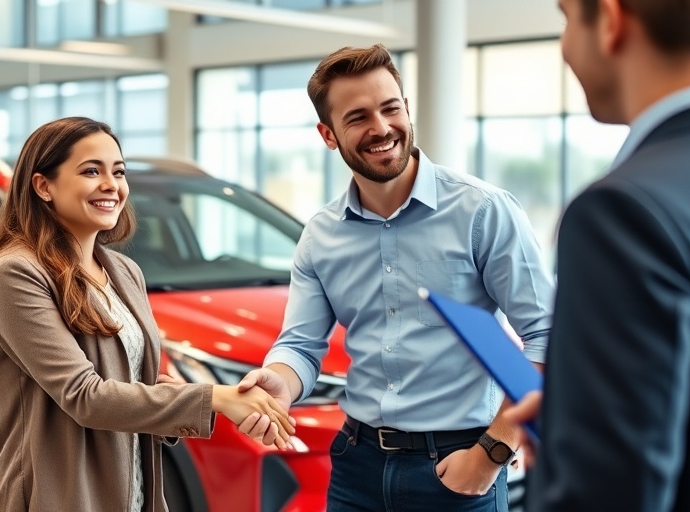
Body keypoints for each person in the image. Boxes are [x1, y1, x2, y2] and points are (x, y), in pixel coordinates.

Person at [236, 44, 556, 511]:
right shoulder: (321, 235)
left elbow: (548, 337)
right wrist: (281, 382)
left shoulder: (482, 210)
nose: (381, 128)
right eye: (358, 117)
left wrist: (491, 453)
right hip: (356, 466)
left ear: (406, 108)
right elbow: (301, 347)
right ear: (328, 135)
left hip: (461, 464)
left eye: (390, 108)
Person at [0, 116, 294, 512]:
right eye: (91, 171)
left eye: (118, 171)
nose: (112, 185)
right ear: (43, 186)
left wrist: (226, 401)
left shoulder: (124, 272)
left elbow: (135, 381)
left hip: (133, 494)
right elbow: (84, 396)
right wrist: (216, 397)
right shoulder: (15, 275)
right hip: (56, 498)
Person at [502, 1, 690, 511]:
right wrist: (589, 408)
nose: (566, 45)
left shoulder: (623, 212)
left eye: (568, 18)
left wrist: (573, 457)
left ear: (612, 21)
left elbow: (609, 495)